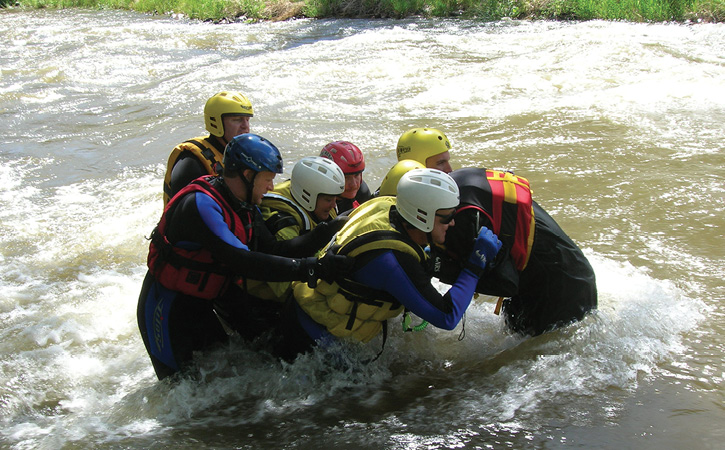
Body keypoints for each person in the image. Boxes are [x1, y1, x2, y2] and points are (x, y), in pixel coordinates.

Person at [138, 133, 351, 380]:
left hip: (203, 306)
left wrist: (326, 231)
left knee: (224, 385)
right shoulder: (201, 205)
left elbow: (274, 251)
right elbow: (243, 261)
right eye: (268, 179)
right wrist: (312, 268)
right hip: (167, 307)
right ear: (248, 176)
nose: (272, 186)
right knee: (179, 394)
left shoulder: (243, 204)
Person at [279, 168, 503, 359]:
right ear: (422, 216)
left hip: (303, 309)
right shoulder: (391, 260)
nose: (452, 222)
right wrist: (476, 263)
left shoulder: (385, 205)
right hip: (312, 338)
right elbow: (447, 317)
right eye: (446, 217)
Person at [430, 167, 598, 336]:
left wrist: (438, 268)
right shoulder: (451, 188)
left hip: (560, 284)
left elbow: (505, 284)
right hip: (556, 267)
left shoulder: (455, 221)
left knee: (532, 354)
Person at [247, 156, 347, 302]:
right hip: (268, 300)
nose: (333, 205)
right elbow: (286, 284)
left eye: (335, 199)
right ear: (307, 195)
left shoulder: (310, 198)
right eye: (328, 200)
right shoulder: (280, 220)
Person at [163, 91, 254, 206]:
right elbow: (184, 213)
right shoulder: (190, 162)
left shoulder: (240, 155)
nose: (245, 126)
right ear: (216, 122)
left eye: (247, 119)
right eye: (237, 119)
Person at [320, 141, 373, 213]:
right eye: (346, 177)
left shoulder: (361, 191)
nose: (354, 185)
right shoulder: (318, 202)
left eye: (356, 175)